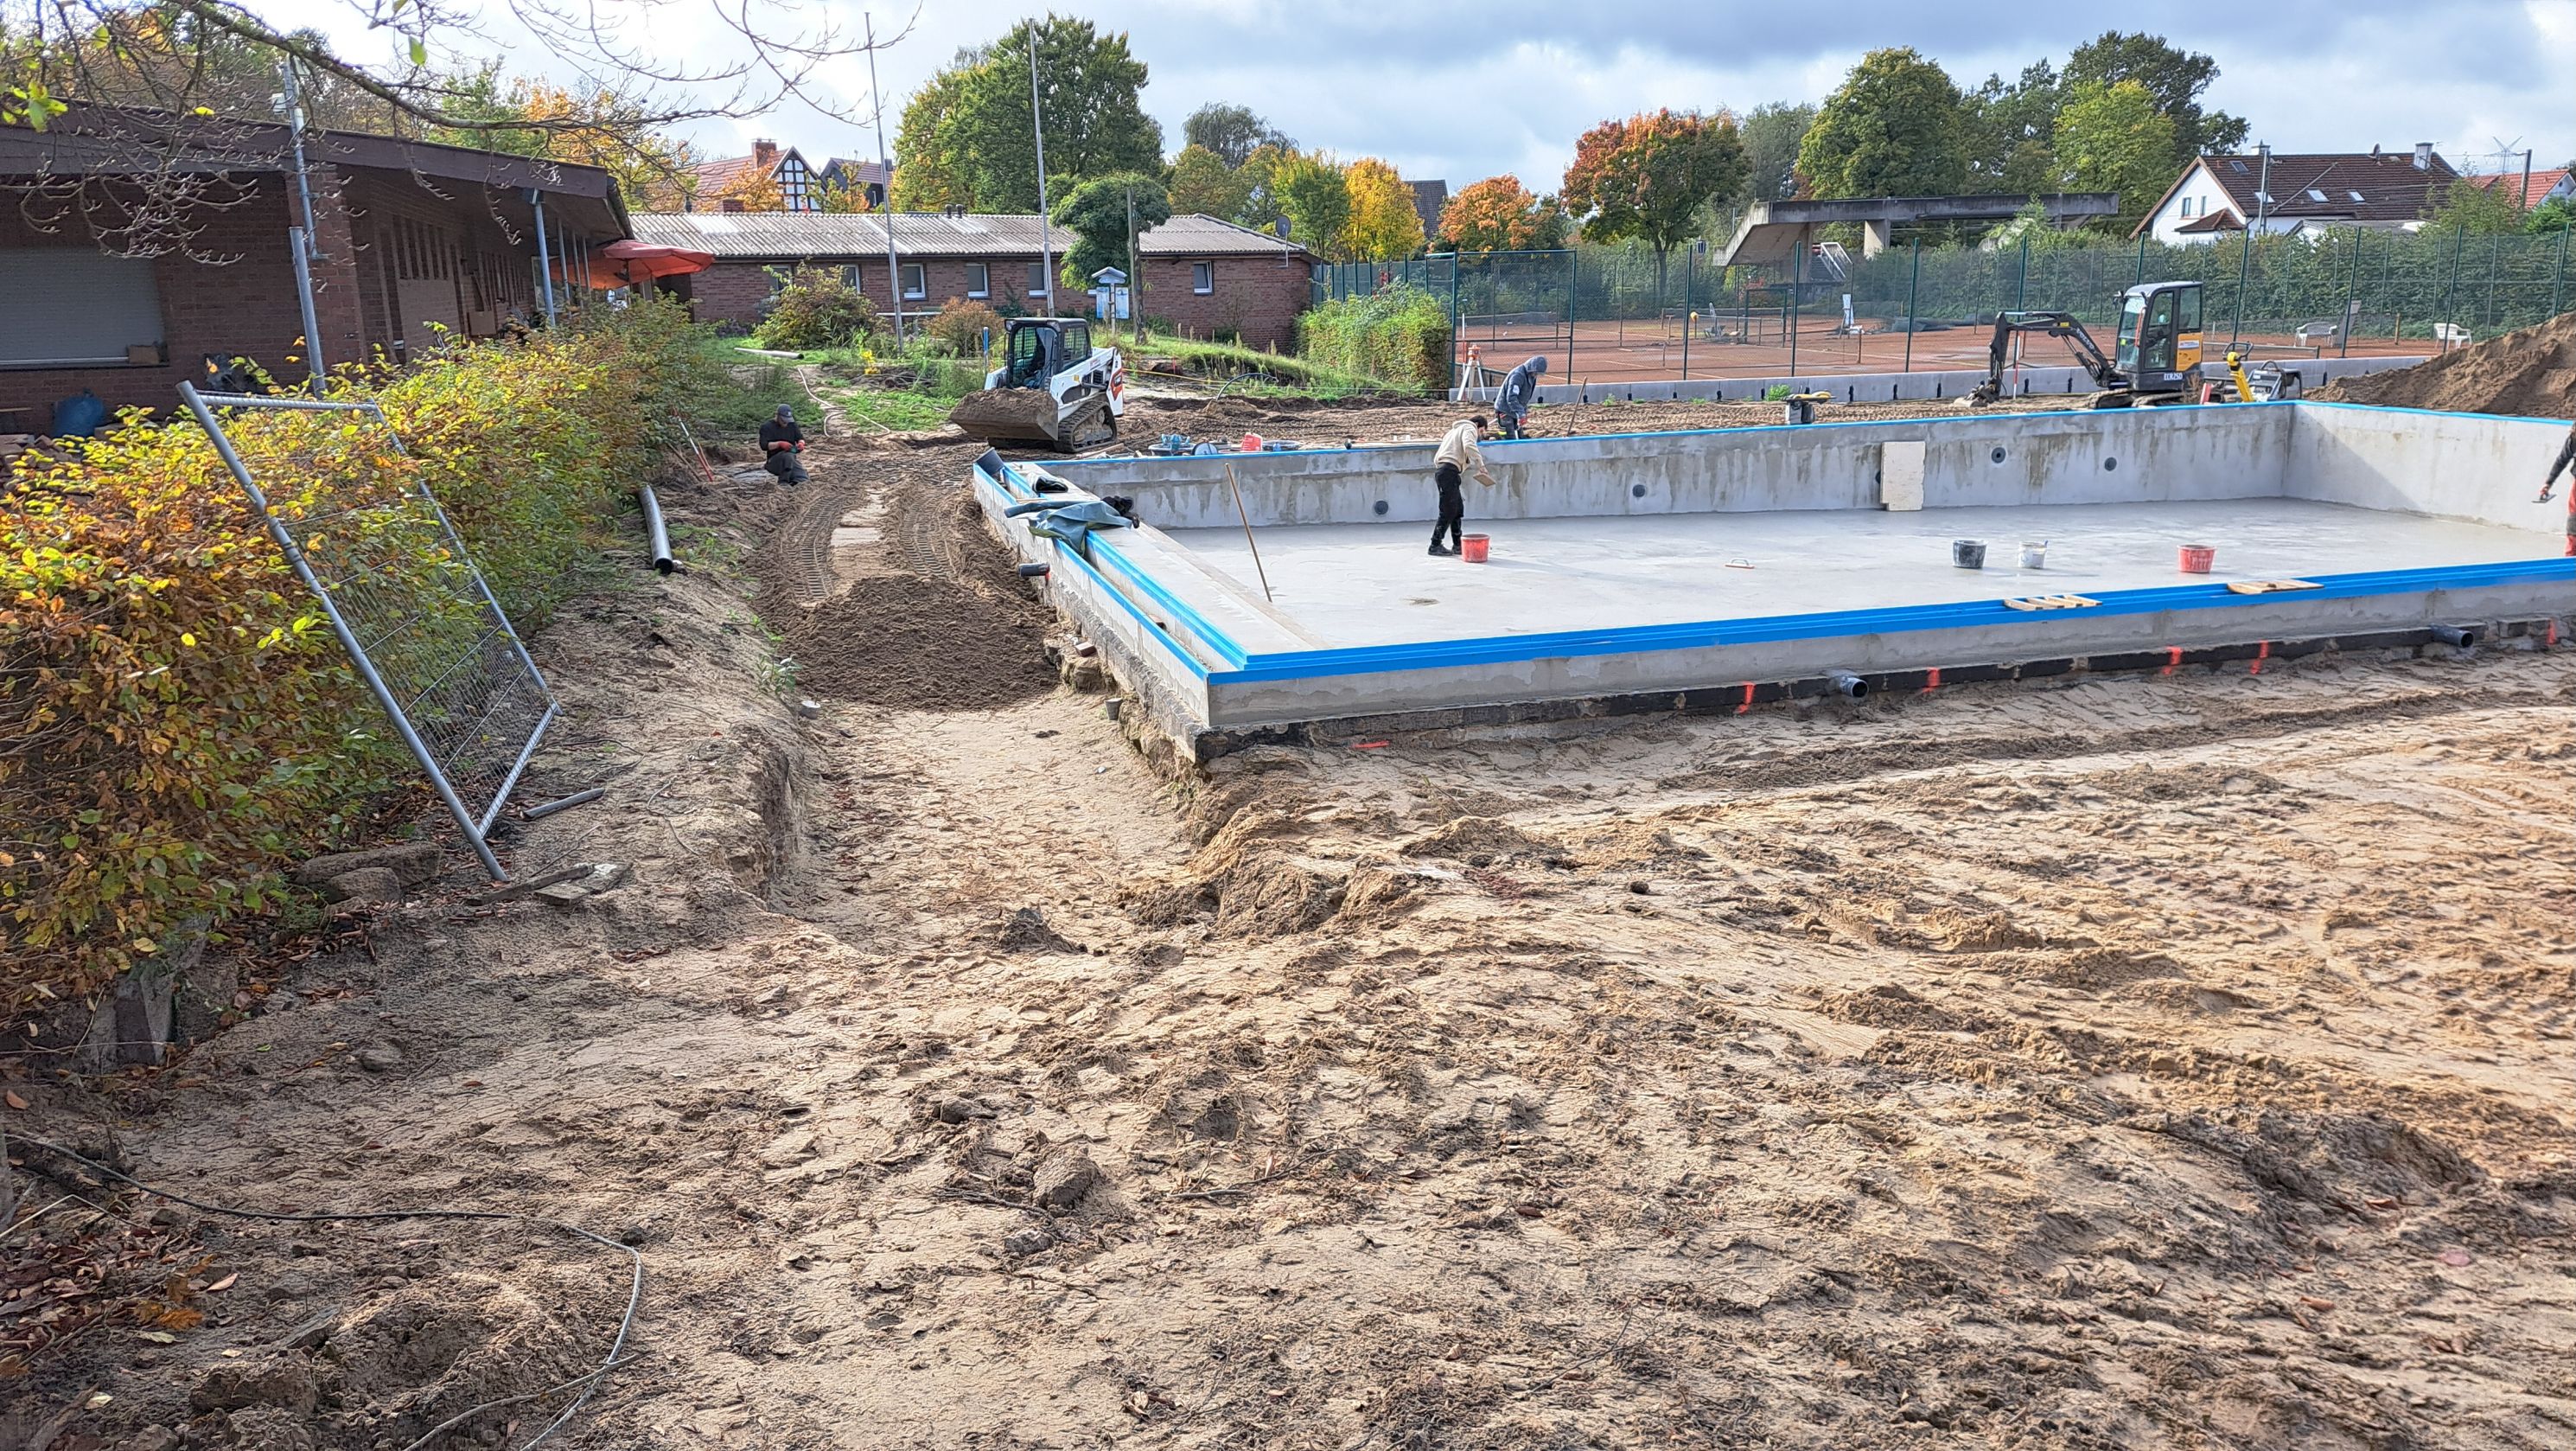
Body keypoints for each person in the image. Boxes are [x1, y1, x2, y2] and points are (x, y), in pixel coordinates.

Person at [1429, 415, 1499, 557]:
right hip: (1448, 471)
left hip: (1447, 472)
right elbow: (1469, 445)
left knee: (1457, 509)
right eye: (1481, 431)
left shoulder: (1452, 432)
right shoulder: (1469, 427)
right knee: (1448, 510)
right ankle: (1435, 545)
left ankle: (1458, 545)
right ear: (1478, 425)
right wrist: (1481, 465)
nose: (1480, 436)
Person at [1494, 354, 1548, 438]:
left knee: (1520, 436)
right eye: (1536, 373)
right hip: (1504, 411)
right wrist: (1521, 413)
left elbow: (1525, 397)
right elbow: (1511, 398)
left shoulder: (1531, 376)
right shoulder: (1518, 376)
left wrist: (1523, 412)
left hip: (1515, 410)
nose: (1536, 375)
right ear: (1532, 368)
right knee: (1507, 437)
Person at [759, 405, 807, 486]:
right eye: (783, 420)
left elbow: (800, 438)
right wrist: (779, 444)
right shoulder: (767, 427)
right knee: (788, 455)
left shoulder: (792, 425)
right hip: (774, 461)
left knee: (803, 477)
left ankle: (795, 483)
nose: (786, 423)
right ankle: (783, 482)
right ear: (777, 415)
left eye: (788, 420)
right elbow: (764, 446)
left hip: (791, 459)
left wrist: (801, 443)